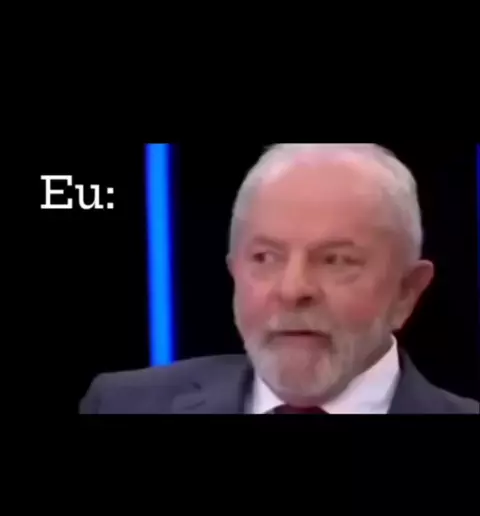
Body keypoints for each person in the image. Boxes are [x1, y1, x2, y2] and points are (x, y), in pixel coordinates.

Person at [80, 143, 479, 415]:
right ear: (234, 273)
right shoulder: (120, 404)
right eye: (265, 257)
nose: (292, 290)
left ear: (407, 292)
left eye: (336, 260)